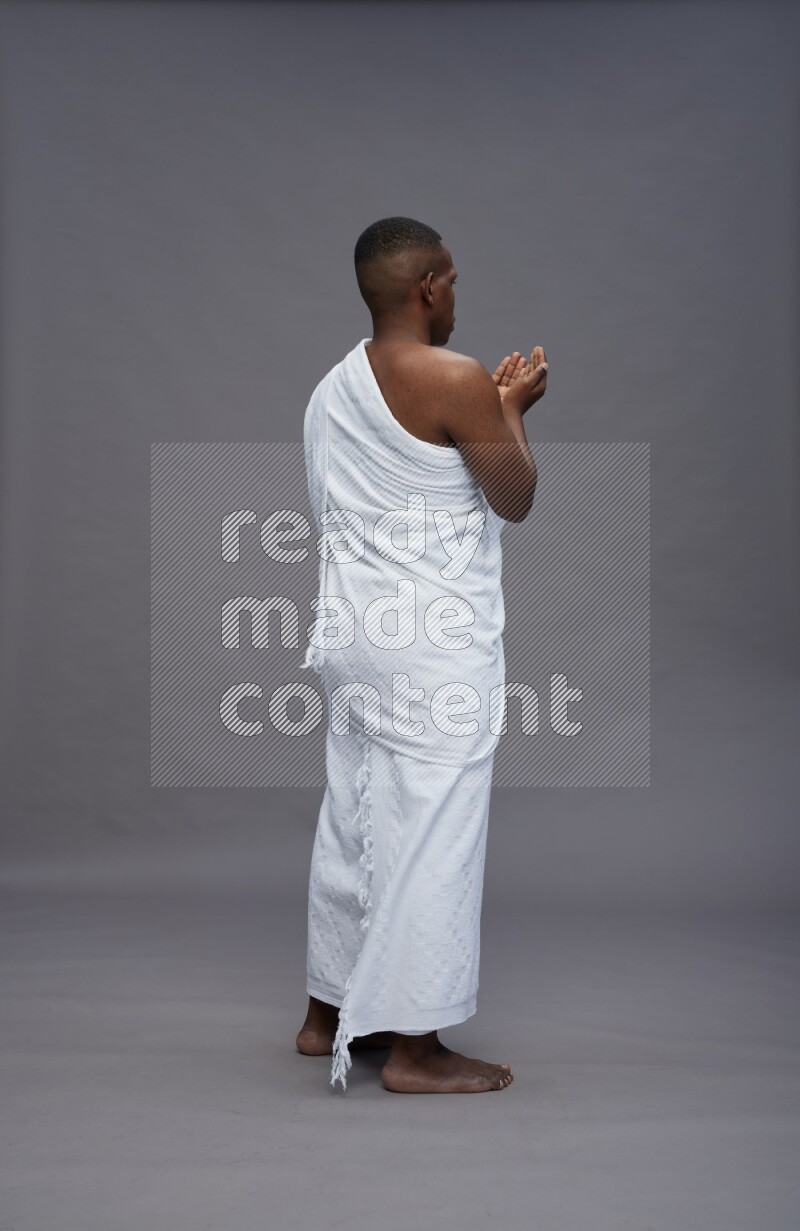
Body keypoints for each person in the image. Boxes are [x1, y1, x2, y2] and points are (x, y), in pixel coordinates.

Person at [295, 216, 548, 1093]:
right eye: (454, 282)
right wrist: (509, 408)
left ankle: (326, 1008)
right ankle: (414, 1045)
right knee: (434, 826)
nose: (456, 298)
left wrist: (494, 407)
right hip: (433, 647)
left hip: (352, 637)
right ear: (430, 285)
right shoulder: (456, 377)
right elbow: (513, 495)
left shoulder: (330, 389)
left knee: (355, 809)